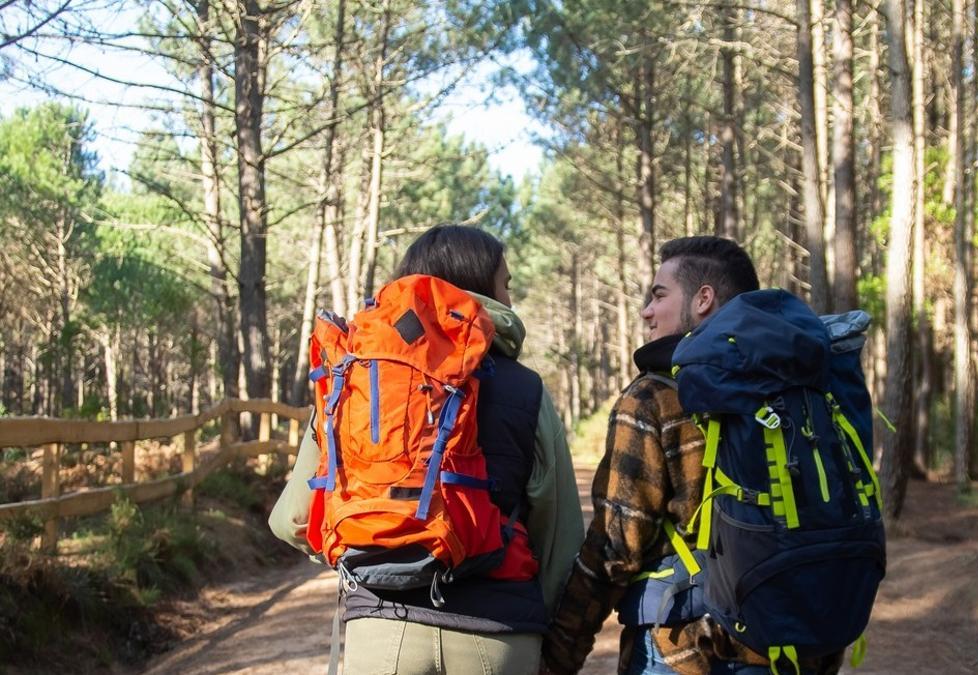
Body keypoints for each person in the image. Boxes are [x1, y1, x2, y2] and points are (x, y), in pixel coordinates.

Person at [270, 224, 584, 675]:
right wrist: (542, 624)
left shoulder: (355, 380)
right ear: (483, 288)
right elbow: (561, 536)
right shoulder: (527, 389)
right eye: (507, 285)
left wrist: (365, 545)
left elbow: (289, 521)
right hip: (499, 632)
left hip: (382, 627)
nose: (512, 299)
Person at [541, 236, 843, 675]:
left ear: (703, 299)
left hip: (686, 653)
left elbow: (613, 549)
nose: (647, 311)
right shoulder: (802, 394)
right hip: (794, 648)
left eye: (659, 295)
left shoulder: (655, 397)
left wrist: (559, 655)